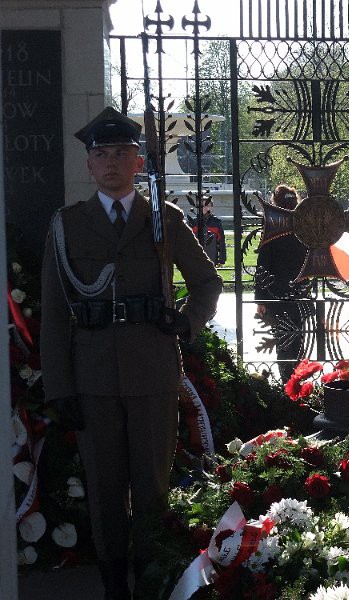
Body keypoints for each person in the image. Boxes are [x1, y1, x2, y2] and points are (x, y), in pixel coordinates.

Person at [40, 107, 223, 599]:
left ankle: (149, 581)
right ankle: (113, 586)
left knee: (151, 486)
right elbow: (55, 314)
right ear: (89, 165)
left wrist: (184, 321)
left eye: (121, 153)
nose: (111, 163)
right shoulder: (67, 226)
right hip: (92, 377)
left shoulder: (164, 220)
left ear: (138, 162)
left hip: (151, 372)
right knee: (103, 489)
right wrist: (59, 388)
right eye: (102, 154)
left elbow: (207, 284)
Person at [254, 184, 310, 383]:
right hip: (300, 291)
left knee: (284, 340)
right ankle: (296, 381)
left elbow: (263, 264)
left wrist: (260, 298)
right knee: (300, 340)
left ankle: (289, 383)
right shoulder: (304, 225)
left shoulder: (273, 225)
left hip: (277, 292)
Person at [188, 197, 227, 267]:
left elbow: (221, 242)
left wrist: (222, 259)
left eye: (207, 205)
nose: (205, 208)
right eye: (202, 206)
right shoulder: (193, 222)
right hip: (195, 259)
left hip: (211, 259)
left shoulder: (216, 223)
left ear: (212, 207)